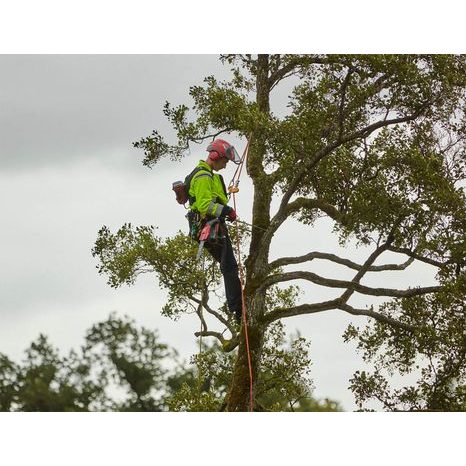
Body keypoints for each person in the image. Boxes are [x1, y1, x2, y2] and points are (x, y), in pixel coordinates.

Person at [187, 139, 243, 323]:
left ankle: (237, 307)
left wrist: (226, 206)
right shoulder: (203, 176)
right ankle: (238, 309)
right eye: (224, 161)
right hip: (209, 226)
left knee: (229, 266)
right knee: (229, 266)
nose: (226, 165)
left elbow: (215, 199)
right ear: (215, 156)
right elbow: (204, 205)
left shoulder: (211, 176)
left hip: (211, 225)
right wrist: (227, 211)